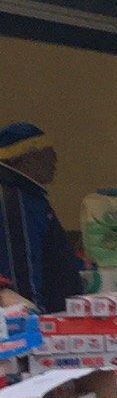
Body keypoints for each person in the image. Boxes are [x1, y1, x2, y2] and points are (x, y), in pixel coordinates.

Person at [0, 124, 82, 310]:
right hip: (39, 324)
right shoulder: (15, 200)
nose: (55, 159)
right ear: (24, 158)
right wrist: (35, 320)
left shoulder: (29, 197)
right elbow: (21, 269)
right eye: (46, 153)